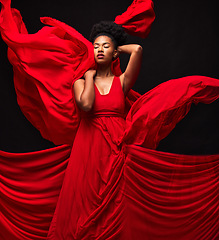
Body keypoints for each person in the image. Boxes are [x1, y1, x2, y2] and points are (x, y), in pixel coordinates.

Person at [0, 0, 219, 239]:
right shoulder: (80, 82)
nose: (100, 50)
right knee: (84, 199)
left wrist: (114, 40)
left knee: (117, 200)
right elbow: (85, 105)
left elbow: (137, 50)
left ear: (114, 52)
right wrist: (91, 72)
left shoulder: (122, 82)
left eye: (105, 47)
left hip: (117, 143)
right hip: (88, 144)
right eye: (96, 47)